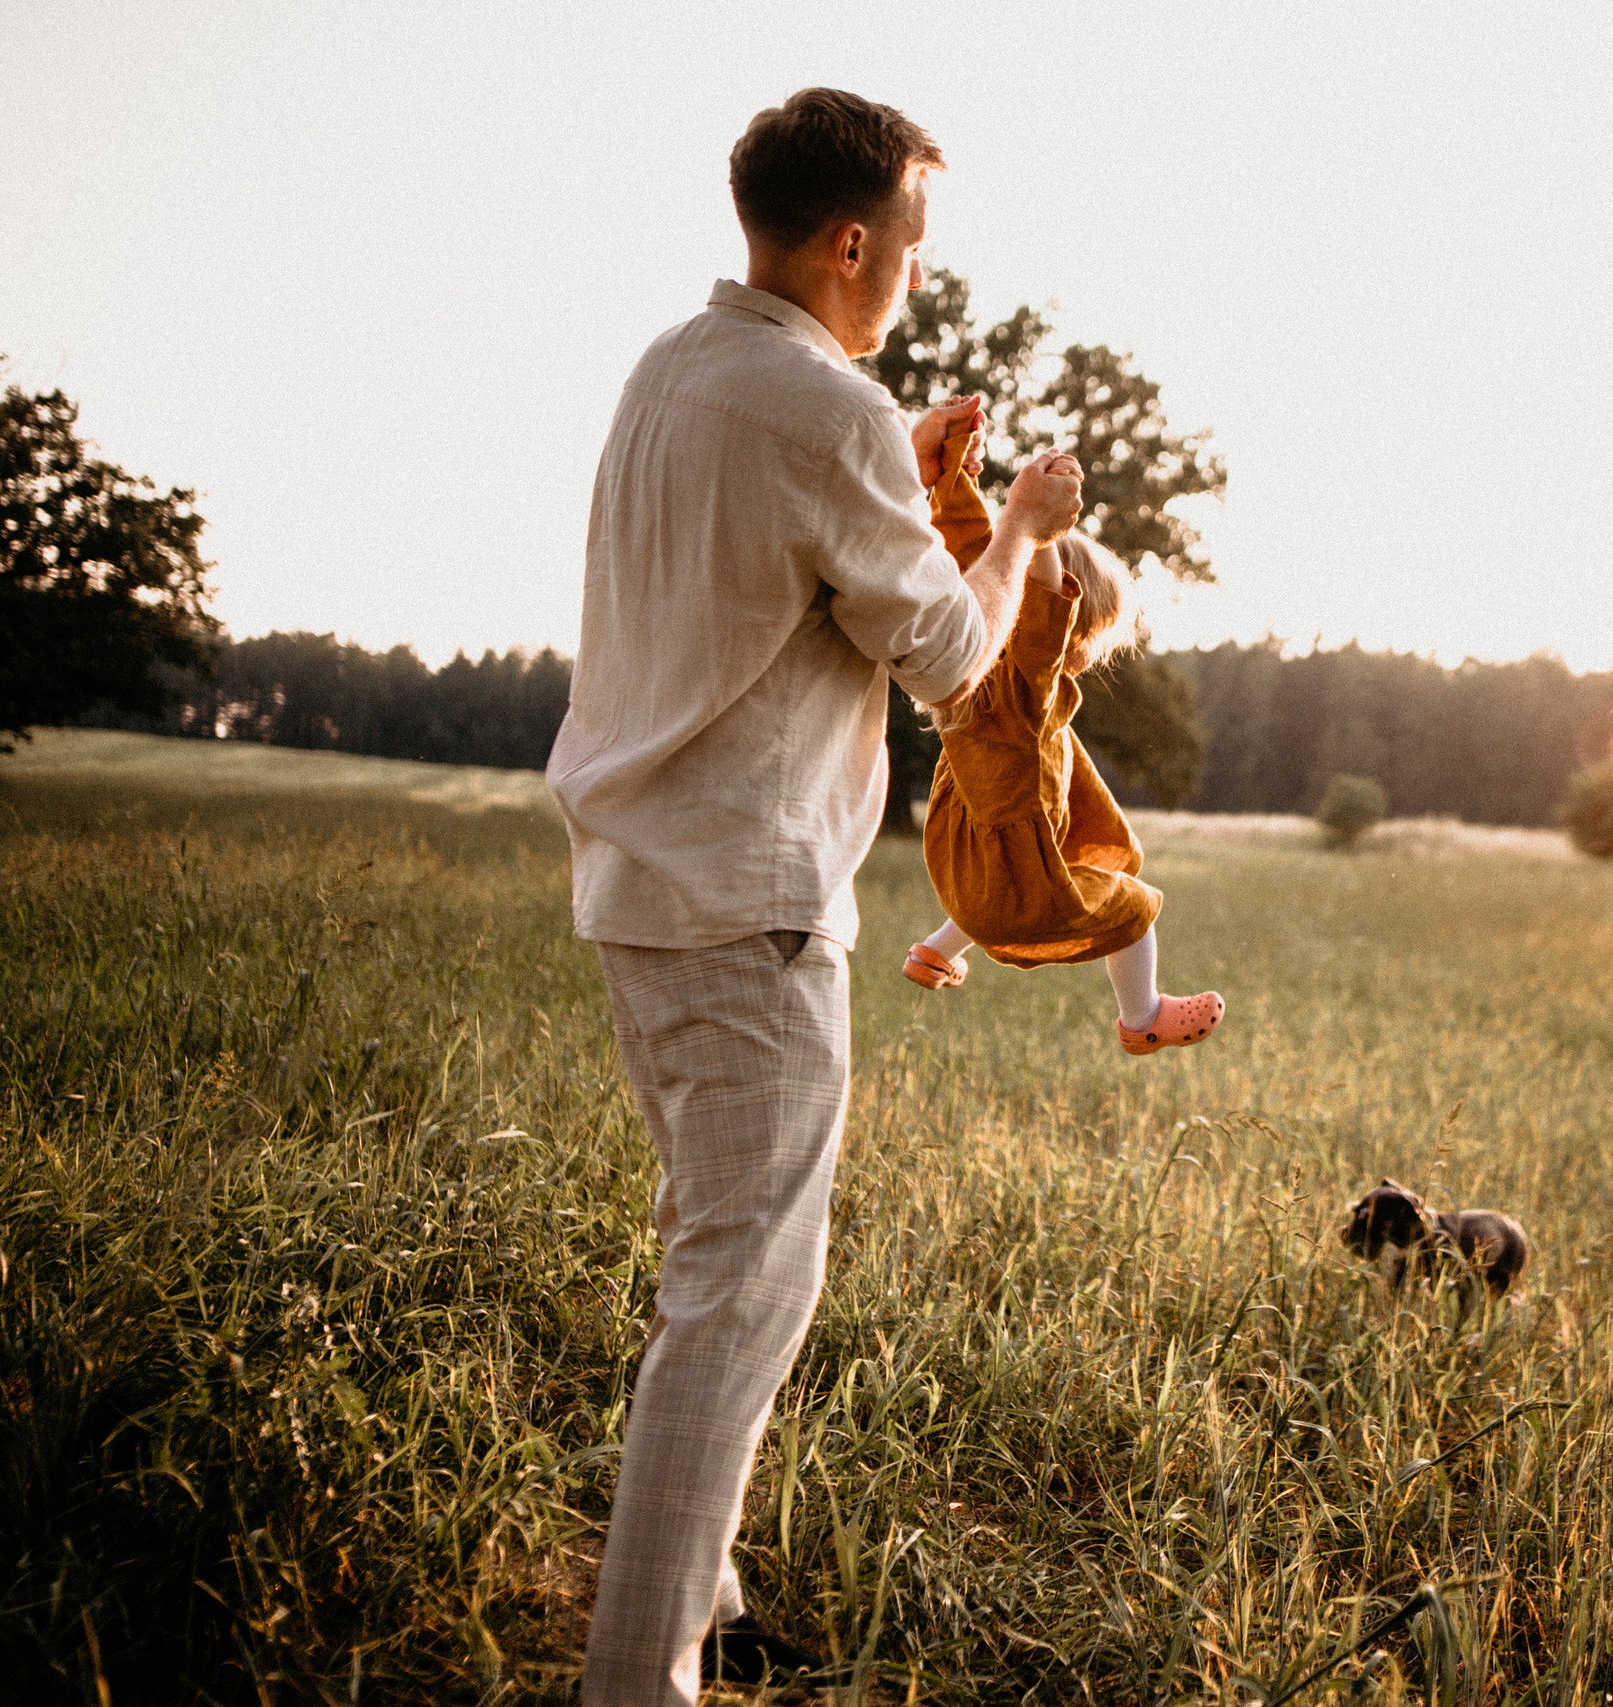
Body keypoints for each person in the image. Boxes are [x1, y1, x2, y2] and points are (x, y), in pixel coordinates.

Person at [544, 90, 1085, 1706]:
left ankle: (701, 1602)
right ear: (853, 244)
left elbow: (788, 580)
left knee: (708, 1263)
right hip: (754, 905)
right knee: (735, 1306)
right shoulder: (824, 406)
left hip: (643, 888)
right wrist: (1027, 535)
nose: (915, 279)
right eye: (912, 248)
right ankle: (639, 1683)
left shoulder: (674, 372)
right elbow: (950, 656)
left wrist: (906, 496)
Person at [898, 430, 1223, 1053]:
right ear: (1064, 629)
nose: (1085, 656)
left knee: (1039, 795)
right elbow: (1040, 606)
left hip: (964, 873)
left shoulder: (971, 675)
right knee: (1133, 909)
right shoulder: (1026, 684)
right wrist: (1040, 532)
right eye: (1087, 635)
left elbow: (971, 550)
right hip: (1018, 888)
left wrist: (953, 479)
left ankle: (934, 954)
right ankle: (1144, 1017)